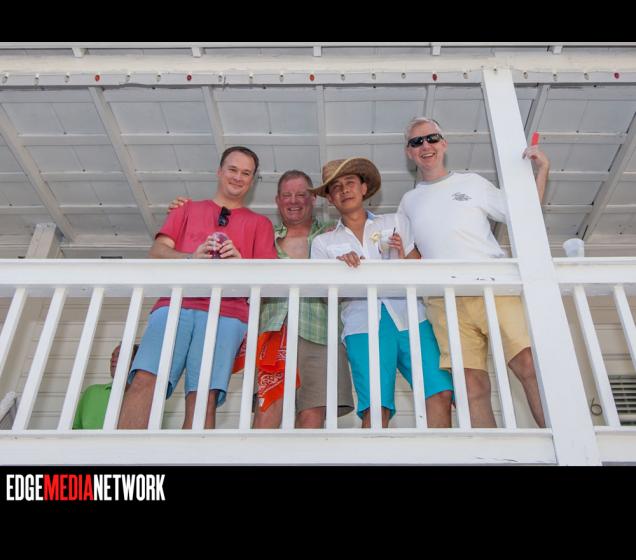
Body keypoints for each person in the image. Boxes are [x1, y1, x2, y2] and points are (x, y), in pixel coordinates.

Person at [169, 170, 355, 429]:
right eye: (287, 195)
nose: (294, 200)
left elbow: (359, 222)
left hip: (321, 333)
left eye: (301, 194)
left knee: (312, 416)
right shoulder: (262, 234)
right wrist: (185, 211)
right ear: (277, 201)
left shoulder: (334, 234)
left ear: (313, 199)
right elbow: (220, 242)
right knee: (266, 412)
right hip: (271, 331)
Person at [399, 116, 550, 428]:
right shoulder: (408, 201)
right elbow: (411, 256)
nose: (426, 145)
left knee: (528, 365)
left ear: (443, 144)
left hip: (492, 288)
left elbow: (523, 213)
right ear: (409, 152)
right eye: (417, 141)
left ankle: (564, 445)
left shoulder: (473, 183)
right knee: (471, 387)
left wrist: (542, 171)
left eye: (432, 138)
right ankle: (492, 454)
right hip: (444, 301)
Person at [118, 146, 277, 430]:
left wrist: (240, 263)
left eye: (246, 173)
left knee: (204, 395)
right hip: (176, 304)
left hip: (229, 312)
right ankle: (124, 454)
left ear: (252, 180)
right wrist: (191, 258)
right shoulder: (187, 209)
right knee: (145, 379)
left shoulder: (261, 224)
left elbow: (269, 280)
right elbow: (157, 252)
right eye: (232, 169)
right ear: (219, 171)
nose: (238, 177)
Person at [310, 157, 454, 428]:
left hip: (413, 318)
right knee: (376, 408)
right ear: (329, 198)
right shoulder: (323, 242)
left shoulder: (396, 221)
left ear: (364, 188)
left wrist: (402, 255)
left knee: (440, 392)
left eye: (350, 182)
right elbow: (325, 295)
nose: (344, 190)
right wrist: (339, 271)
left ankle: (438, 451)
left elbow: (418, 269)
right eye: (336, 187)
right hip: (362, 325)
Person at [73, 343, 139, 429]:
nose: (113, 359)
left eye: (119, 355)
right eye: (112, 356)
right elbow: (74, 428)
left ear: (136, 362)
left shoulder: (142, 397)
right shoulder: (92, 392)